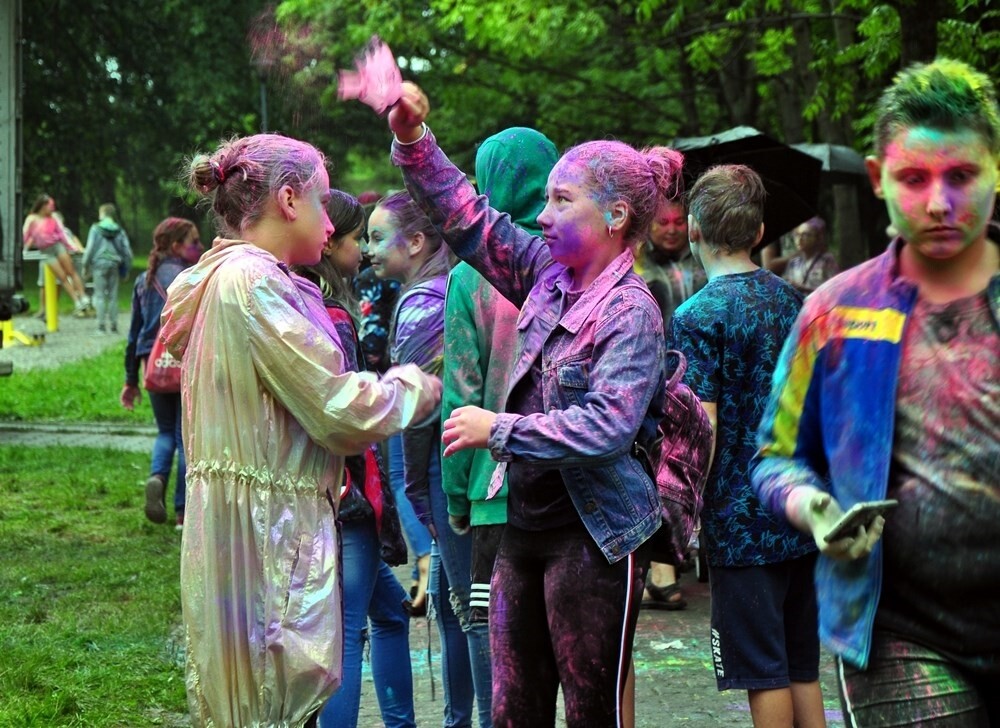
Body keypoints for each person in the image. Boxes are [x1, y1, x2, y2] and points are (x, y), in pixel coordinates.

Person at [384, 82, 678, 727]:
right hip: (523, 530)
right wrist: (413, 139)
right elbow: (468, 219)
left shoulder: (632, 312)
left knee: (588, 712)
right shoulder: (549, 275)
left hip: (596, 537)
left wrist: (502, 430)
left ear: (616, 216)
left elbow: (608, 425)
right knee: (513, 709)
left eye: (560, 200)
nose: (541, 215)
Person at [157, 133, 442, 727]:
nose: (330, 221)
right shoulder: (254, 283)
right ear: (288, 201)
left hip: (254, 528)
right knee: (271, 704)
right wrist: (418, 386)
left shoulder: (226, 276)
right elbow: (337, 409)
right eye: (320, 202)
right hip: (267, 536)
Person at [752, 58, 1000, 726]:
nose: (940, 201)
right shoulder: (835, 310)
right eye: (914, 179)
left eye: (963, 175)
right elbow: (773, 457)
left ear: (997, 171)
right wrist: (813, 508)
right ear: (876, 179)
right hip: (897, 634)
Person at [670, 165, 824, 728]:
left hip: (738, 522)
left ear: (692, 230)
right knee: (802, 666)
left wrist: (684, 517)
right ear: (759, 233)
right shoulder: (798, 303)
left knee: (761, 672)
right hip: (801, 507)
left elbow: (699, 430)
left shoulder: (695, 317)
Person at [441, 126, 560, 727]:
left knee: (502, 646)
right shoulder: (577, 258)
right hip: (573, 483)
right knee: (577, 647)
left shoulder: (471, 275)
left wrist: (457, 493)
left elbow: (460, 392)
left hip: (496, 487)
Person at [292, 190, 417, 728]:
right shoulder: (335, 315)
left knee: (389, 613)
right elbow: (345, 408)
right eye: (356, 238)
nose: (364, 250)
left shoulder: (296, 300)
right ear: (331, 244)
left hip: (325, 493)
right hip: (347, 497)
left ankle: (402, 722)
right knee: (345, 633)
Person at [368, 190, 479, 727]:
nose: (368, 249)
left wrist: (413, 489)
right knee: (456, 604)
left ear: (414, 242)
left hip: (442, 464)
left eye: (376, 237)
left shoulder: (420, 305)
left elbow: (413, 420)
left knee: (462, 608)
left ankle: (465, 720)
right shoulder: (451, 285)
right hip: (464, 459)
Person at [633, 196, 707, 611]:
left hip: (700, 380)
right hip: (661, 381)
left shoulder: (700, 266)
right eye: (664, 222)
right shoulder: (643, 269)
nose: (673, 229)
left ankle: (674, 561)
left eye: (681, 221)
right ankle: (663, 566)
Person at [121, 217, 202, 529]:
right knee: (186, 438)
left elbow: (133, 335)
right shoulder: (192, 277)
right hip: (185, 363)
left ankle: (157, 477)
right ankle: (183, 513)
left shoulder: (145, 279)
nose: (200, 247)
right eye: (194, 242)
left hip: (152, 365)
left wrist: (131, 380)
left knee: (165, 431)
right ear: (176, 246)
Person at [22, 194, 91, 316]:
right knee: (62, 277)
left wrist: (72, 247)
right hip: (46, 251)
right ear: (43, 206)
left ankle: (83, 296)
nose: (52, 208)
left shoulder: (53, 218)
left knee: (71, 271)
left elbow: (62, 234)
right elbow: (27, 235)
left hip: (57, 246)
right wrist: (25, 248)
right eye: (50, 206)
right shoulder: (32, 219)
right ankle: (76, 301)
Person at [83, 203, 133, 333]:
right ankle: (114, 326)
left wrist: (85, 265)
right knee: (113, 296)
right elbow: (127, 252)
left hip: (99, 265)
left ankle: (101, 327)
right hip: (114, 265)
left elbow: (89, 249)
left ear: (102, 214)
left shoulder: (95, 229)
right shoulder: (119, 230)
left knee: (99, 295)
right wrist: (126, 269)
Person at [781, 216, 839, 295]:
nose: (800, 239)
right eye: (797, 234)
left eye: (806, 235)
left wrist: (804, 288)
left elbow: (834, 288)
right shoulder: (793, 262)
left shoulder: (827, 260)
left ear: (818, 237)